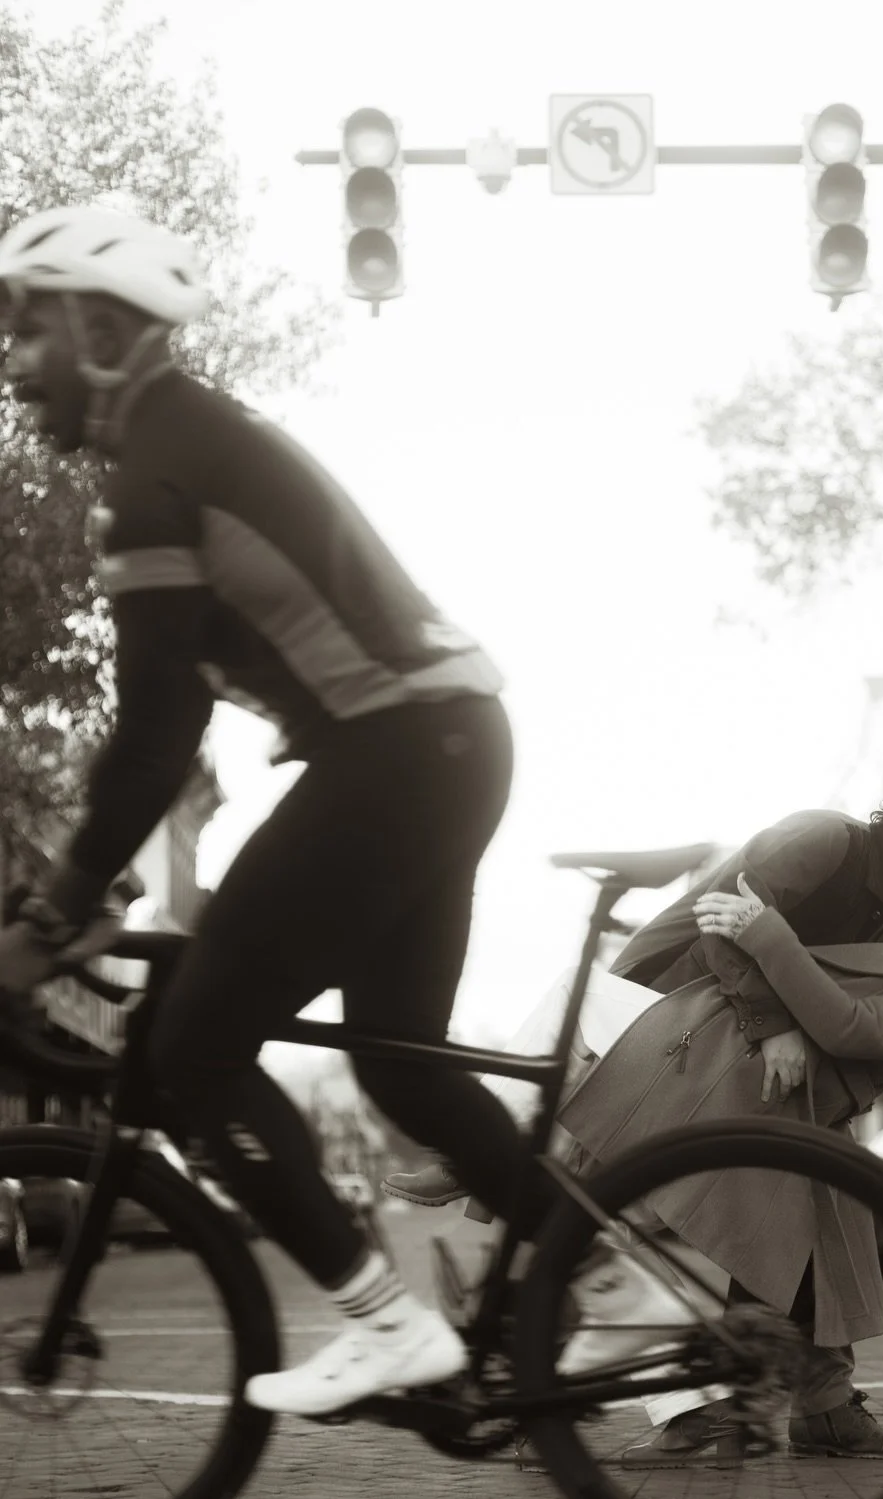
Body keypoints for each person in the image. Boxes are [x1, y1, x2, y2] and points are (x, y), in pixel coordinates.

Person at [0, 205, 525, 1416]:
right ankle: (620, 1287)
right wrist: (83, 893)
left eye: (30, 330)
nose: (15, 362)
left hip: (398, 757)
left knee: (189, 1050)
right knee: (401, 1068)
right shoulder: (190, 438)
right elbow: (162, 743)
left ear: (101, 326)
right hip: (443, 744)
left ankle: (386, 1321)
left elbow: (153, 738)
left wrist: (57, 908)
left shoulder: (150, 479)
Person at [558, 833, 883, 1463]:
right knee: (804, 1248)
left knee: (601, 1181)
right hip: (776, 1086)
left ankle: (713, 1410)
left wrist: (763, 931)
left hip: (772, 1085)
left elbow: (848, 1025)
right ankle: (821, 1412)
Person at [385, 773, 883, 1205]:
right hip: (664, 994)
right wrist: (776, 1027)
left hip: (713, 1044)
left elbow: (841, 1010)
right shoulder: (826, 839)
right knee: (591, 1152)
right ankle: (471, 1154)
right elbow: (720, 921)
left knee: (612, 1202)